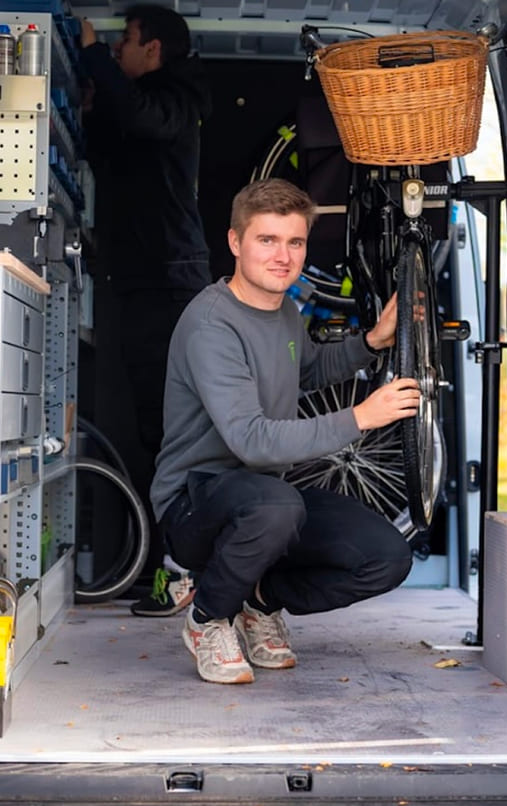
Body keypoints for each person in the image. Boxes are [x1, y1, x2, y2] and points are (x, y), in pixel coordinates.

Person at [150, 178, 418, 684]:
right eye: (266, 240)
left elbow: (310, 371)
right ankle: (207, 619)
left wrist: (373, 342)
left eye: (294, 242)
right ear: (235, 243)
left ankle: (257, 600)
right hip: (195, 503)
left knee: (387, 558)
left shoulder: (285, 313)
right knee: (277, 506)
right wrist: (362, 416)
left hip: (267, 498)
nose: (283, 256)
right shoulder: (211, 324)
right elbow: (250, 441)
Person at [79, 6, 212, 615]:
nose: (117, 50)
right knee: (152, 432)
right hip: (140, 284)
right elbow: (110, 139)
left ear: (153, 50)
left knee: (170, 435)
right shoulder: (145, 100)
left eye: (125, 41)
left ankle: (178, 572)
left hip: (168, 285)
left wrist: (86, 56)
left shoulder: (177, 97)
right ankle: (169, 566)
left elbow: (140, 117)